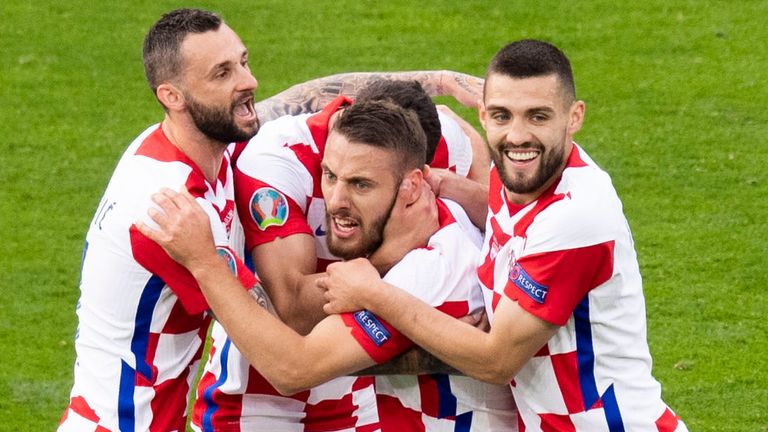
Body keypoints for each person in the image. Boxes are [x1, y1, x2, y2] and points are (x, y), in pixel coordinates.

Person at [56, 7, 483, 431]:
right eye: (222, 74)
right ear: (173, 96)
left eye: (243, 62)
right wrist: (410, 283)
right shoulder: (174, 211)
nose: (249, 83)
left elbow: (310, 99)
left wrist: (440, 81)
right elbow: (287, 347)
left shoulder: (202, 149)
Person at [318, 40, 689, 431]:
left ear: (574, 117)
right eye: (501, 116)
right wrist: (450, 181)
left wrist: (374, 293)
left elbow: (495, 362)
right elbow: (507, 220)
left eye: (538, 117)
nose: (517, 136)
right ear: (482, 114)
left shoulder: (576, 217)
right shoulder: (518, 177)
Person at [137, 100, 518, 431]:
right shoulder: (452, 211)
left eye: (361, 185)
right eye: (330, 175)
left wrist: (204, 262)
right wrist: (442, 82)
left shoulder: (419, 275)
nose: (335, 199)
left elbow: (292, 370)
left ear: (414, 185)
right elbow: (469, 143)